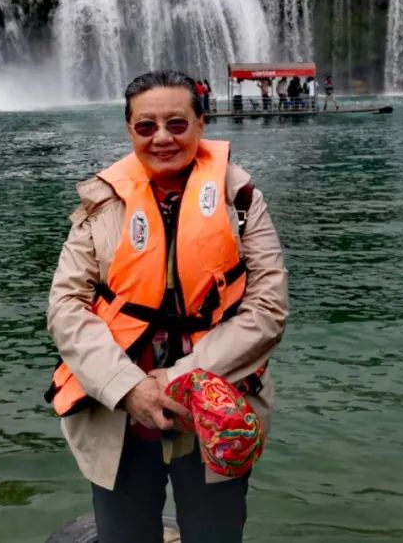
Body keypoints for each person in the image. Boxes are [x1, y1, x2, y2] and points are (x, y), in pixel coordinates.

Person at [47, 70, 289, 543]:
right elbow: (66, 306)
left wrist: (183, 379)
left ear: (202, 124)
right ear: (129, 131)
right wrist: (129, 387)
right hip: (118, 410)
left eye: (177, 124)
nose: (162, 138)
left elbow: (268, 307)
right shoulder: (101, 204)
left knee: (215, 534)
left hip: (215, 408)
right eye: (146, 126)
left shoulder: (240, 200)